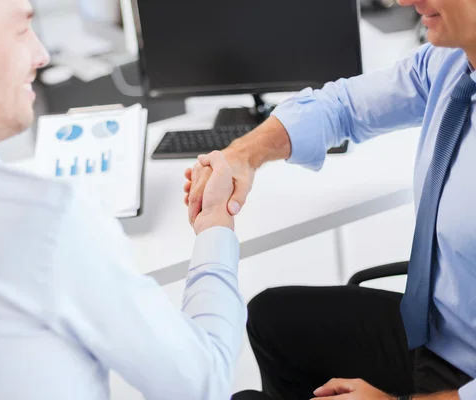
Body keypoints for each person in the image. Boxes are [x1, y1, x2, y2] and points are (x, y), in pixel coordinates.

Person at [0, 1, 248, 399]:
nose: (41, 54)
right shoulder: (43, 219)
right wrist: (214, 227)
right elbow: (202, 384)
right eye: (21, 30)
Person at [186, 0, 476, 399]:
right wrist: (243, 156)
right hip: (443, 328)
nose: (404, 1)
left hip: (466, 374)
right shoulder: (451, 65)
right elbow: (344, 107)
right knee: (272, 318)